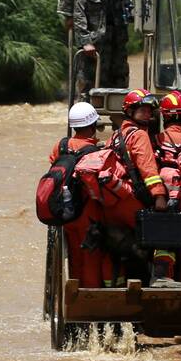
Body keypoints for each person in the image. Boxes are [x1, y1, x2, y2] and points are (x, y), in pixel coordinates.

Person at [102, 89, 171, 286]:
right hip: (132, 200)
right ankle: (159, 277)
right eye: (143, 110)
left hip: (114, 198)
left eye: (150, 110)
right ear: (130, 111)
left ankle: (119, 287)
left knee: (122, 247)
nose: (148, 114)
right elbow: (148, 168)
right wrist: (159, 196)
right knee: (163, 230)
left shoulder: (116, 135)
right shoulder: (139, 135)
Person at [71, 0, 148, 97]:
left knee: (120, 83)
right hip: (95, 46)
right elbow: (79, 13)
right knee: (90, 85)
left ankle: (119, 119)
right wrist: (85, 42)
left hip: (117, 42)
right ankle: (89, 117)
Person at [50, 102, 110, 288]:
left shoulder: (60, 146)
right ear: (92, 126)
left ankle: (74, 300)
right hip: (88, 212)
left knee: (74, 256)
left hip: (65, 211)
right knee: (91, 257)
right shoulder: (96, 153)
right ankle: (90, 302)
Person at [152, 90, 181, 285]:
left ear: (164, 115)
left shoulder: (157, 140)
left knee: (164, 236)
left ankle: (164, 276)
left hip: (163, 192)